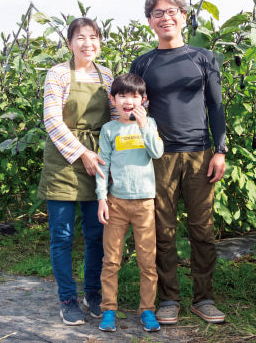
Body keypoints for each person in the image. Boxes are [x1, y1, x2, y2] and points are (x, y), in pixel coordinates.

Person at [130, 0, 227, 325]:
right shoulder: (143, 63)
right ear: (149, 22)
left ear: (184, 16)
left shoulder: (204, 58)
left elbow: (215, 105)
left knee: (202, 228)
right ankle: (169, 298)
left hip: (200, 154)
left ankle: (205, 298)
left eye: (171, 12)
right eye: (157, 13)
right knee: (163, 230)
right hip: (158, 156)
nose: (165, 18)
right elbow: (134, 107)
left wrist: (220, 150)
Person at [37, 17, 117, 326]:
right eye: (80, 38)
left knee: (96, 234)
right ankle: (68, 298)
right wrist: (81, 152)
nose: (88, 43)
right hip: (63, 158)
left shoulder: (107, 75)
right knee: (62, 235)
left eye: (93, 37)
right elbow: (52, 120)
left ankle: (93, 293)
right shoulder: (57, 73)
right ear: (69, 43)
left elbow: (114, 117)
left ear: (99, 41)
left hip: (98, 158)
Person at [95, 73, 164, 333]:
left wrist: (144, 126)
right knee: (111, 260)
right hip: (116, 203)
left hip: (145, 202)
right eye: (122, 95)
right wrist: (102, 198)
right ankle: (109, 310)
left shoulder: (150, 124)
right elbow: (104, 165)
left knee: (147, 260)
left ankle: (147, 309)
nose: (128, 101)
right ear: (113, 99)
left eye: (134, 96)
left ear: (143, 100)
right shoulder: (109, 130)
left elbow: (157, 152)